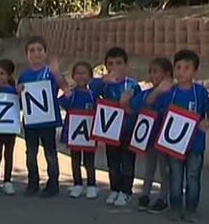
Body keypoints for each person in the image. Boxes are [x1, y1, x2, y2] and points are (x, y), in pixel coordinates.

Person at [152, 50, 209, 222]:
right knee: (175, 176)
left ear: (195, 71)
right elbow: (155, 107)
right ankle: (175, 207)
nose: (181, 71)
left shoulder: (200, 92)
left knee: (193, 177)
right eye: (178, 67)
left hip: (195, 145)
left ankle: (191, 209)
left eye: (187, 68)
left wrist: (207, 122)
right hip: (174, 146)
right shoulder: (169, 92)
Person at [89, 47, 142, 207]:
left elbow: (138, 106)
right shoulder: (105, 85)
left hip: (127, 130)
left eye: (119, 63)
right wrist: (104, 80)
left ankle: (126, 191)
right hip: (110, 131)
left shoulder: (132, 85)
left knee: (127, 163)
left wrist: (128, 103)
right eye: (111, 64)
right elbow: (91, 88)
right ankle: (115, 188)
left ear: (126, 66)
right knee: (112, 162)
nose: (115, 67)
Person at [17, 36, 68, 197]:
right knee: (31, 153)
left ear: (45, 53)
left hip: (48, 121)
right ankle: (33, 182)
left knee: (50, 152)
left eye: (39, 50)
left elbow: (65, 87)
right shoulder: (24, 75)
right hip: (31, 122)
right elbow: (20, 99)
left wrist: (57, 72)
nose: (36, 53)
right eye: (32, 50)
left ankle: (53, 184)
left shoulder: (50, 73)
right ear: (27, 55)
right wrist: (18, 91)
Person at [132, 58, 173, 214]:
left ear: (167, 74)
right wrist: (157, 91)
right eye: (151, 71)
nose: (152, 75)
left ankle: (163, 198)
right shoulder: (148, 93)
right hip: (149, 138)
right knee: (149, 168)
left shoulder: (173, 93)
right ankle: (145, 194)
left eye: (155, 71)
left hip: (165, 139)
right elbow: (140, 104)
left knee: (164, 170)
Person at [59, 61, 99, 200]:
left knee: (89, 161)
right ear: (73, 76)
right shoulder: (72, 94)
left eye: (84, 73)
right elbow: (62, 103)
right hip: (73, 133)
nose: (81, 76)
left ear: (90, 76)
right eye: (78, 73)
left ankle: (92, 185)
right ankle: (77, 184)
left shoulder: (93, 96)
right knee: (75, 159)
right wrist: (66, 93)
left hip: (88, 135)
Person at [0, 59, 18, 196]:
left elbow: (22, 106)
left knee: (9, 154)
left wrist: (21, 93)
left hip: (10, 127)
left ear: (9, 75)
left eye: (2, 73)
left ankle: (7, 181)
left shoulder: (14, 90)